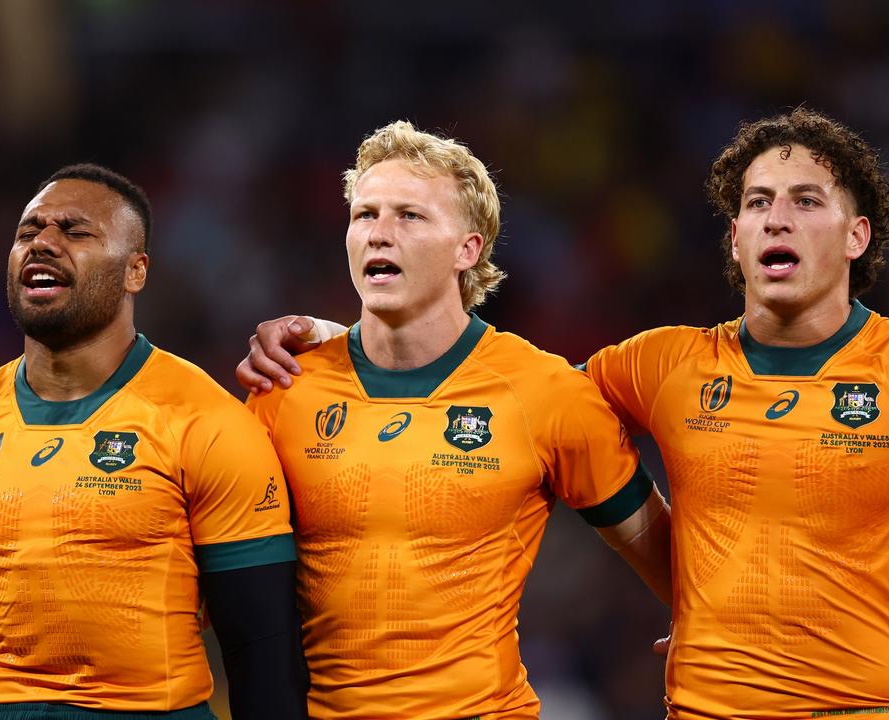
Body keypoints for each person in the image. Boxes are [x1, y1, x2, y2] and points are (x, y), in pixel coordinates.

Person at [240, 109, 889, 719]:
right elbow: (511, 390)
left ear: (857, 236)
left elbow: (535, 400)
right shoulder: (660, 366)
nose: (777, 219)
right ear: (735, 237)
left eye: (805, 201)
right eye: (758, 203)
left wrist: (710, 610)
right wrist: (331, 336)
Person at [0, 164, 307, 720]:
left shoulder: (209, 425)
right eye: (28, 232)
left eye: (76, 232)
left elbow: (261, 654)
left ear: (136, 271)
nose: (43, 244)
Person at [240, 121, 670, 720]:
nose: (379, 234)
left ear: (467, 249)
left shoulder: (542, 391)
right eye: (365, 215)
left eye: (410, 216)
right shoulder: (284, 388)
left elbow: (663, 550)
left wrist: (711, 629)